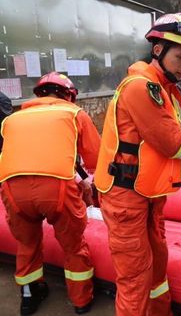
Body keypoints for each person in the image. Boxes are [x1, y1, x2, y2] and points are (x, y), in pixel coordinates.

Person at [94, 12, 181, 316]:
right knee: (135, 277)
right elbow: (173, 143)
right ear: (157, 50)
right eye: (180, 56)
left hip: (149, 193)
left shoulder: (164, 89)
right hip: (126, 197)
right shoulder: (141, 87)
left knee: (157, 264)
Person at [0, 72, 100, 315]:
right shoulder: (74, 114)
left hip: (12, 188)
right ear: (69, 95)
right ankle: (81, 301)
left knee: (27, 244)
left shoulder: (12, 119)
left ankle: (28, 298)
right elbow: (97, 160)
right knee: (73, 246)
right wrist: (93, 192)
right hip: (56, 189)